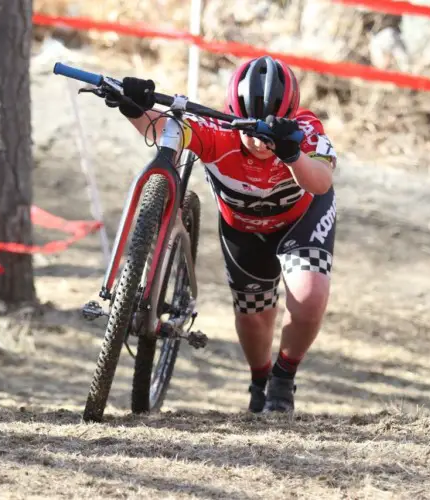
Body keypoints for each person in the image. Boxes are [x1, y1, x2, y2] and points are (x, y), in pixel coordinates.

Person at [105, 56, 338, 414]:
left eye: (268, 129)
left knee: (308, 297)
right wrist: (132, 107)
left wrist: (291, 154)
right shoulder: (217, 130)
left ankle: (284, 376)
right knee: (253, 316)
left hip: (301, 220)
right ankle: (260, 381)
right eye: (249, 129)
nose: (260, 141)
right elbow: (166, 129)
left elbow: (321, 182)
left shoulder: (304, 130)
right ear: (232, 113)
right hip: (243, 228)